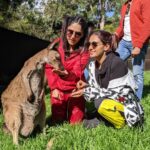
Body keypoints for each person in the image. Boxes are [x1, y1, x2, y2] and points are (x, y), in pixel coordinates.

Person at [71, 30, 144, 129]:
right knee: (91, 107)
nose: (90, 48)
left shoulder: (117, 63)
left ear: (106, 46)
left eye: (94, 44)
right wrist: (86, 85)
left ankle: (122, 124)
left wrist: (87, 91)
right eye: (88, 44)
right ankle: (104, 120)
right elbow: (97, 90)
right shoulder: (93, 64)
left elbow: (120, 94)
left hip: (127, 106)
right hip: (111, 101)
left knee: (99, 102)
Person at [45, 15, 90, 124]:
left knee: (76, 123)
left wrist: (65, 74)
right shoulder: (56, 44)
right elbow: (48, 67)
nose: (73, 36)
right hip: (58, 90)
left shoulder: (84, 51)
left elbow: (76, 72)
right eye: (70, 31)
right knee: (57, 122)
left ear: (83, 35)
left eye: (78, 34)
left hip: (75, 91)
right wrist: (54, 88)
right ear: (65, 30)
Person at [115, 0, 150, 100]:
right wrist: (116, 35)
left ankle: (136, 102)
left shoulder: (145, 1)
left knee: (137, 74)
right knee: (112, 66)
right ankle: (116, 95)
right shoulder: (125, 5)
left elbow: (148, 24)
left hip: (137, 42)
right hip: (124, 42)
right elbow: (122, 26)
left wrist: (138, 45)